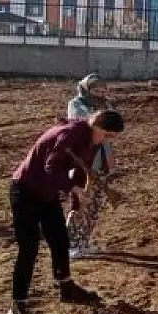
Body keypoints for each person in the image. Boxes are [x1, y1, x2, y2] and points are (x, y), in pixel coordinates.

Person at [6, 110, 125, 314]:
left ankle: (66, 287)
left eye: (112, 137)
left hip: (47, 195)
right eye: (107, 135)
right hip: (25, 190)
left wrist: (78, 202)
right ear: (96, 125)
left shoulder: (93, 141)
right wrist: (74, 189)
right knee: (29, 248)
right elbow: (50, 168)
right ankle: (17, 305)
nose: (107, 140)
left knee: (60, 240)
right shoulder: (70, 134)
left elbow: (81, 173)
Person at [66, 73, 114, 260]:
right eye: (93, 88)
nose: (98, 91)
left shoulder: (101, 105)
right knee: (79, 203)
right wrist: (103, 112)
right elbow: (87, 122)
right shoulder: (76, 104)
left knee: (95, 204)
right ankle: (70, 244)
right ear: (85, 88)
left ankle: (84, 242)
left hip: (100, 162)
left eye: (100, 88)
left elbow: (111, 126)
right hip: (82, 163)